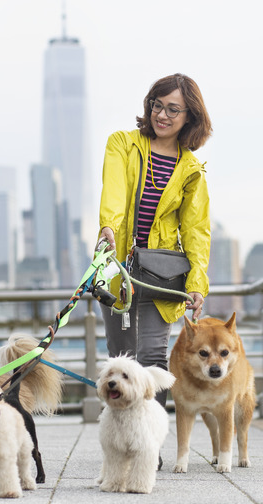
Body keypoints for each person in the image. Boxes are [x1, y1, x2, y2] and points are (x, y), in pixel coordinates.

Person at [96, 73, 213, 408]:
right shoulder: (122, 143)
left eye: (173, 109)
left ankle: (150, 447)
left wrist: (197, 282)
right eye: (157, 106)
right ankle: (123, 440)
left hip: (162, 275)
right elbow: (115, 194)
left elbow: (196, 230)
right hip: (118, 269)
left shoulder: (192, 169)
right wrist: (108, 227)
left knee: (152, 361)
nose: (162, 115)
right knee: (122, 360)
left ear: (190, 115)